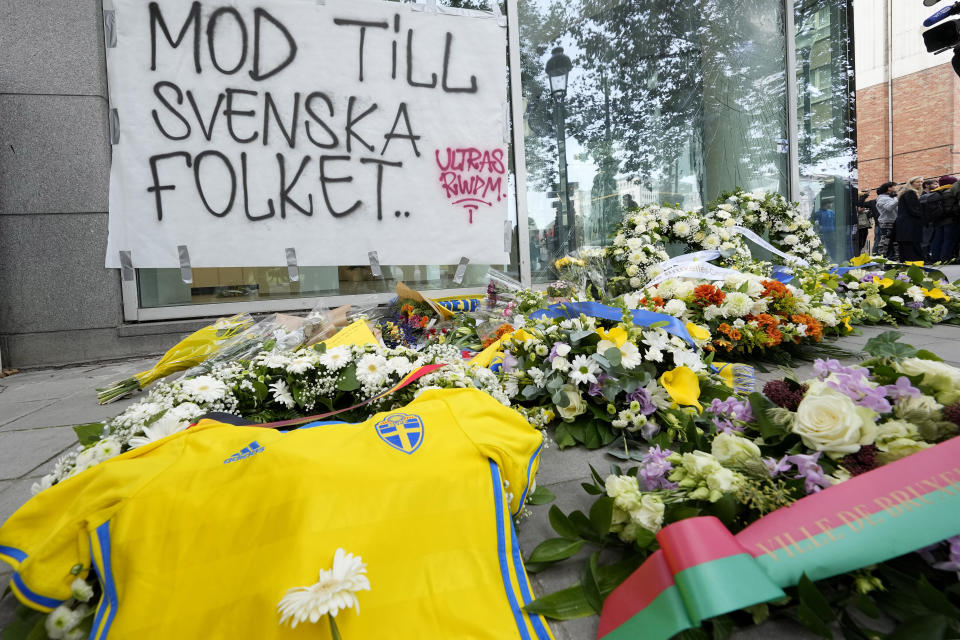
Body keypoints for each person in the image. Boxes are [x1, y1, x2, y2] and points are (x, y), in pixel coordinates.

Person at [929, 175, 960, 262]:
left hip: (938, 220)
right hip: (950, 219)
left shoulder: (936, 191)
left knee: (937, 240)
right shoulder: (951, 191)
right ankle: (945, 258)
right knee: (949, 239)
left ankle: (935, 258)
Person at [896, 176, 925, 261]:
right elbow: (914, 209)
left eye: (921, 182)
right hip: (909, 223)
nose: (920, 184)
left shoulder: (905, 193)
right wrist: (923, 216)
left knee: (906, 244)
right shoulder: (911, 193)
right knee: (911, 244)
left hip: (904, 222)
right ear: (911, 183)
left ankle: (906, 262)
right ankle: (913, 262)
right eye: (917, 182)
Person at [874, 181, 899, 259]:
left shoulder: (893, 197)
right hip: (887, 222)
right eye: (894, 187)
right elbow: (889, 208)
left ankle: (895, 256)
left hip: (895, 221)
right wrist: (897, 199)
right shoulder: (882, 198)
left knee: (895, 240)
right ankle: (882, 256)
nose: (896, 188)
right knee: (886, 240)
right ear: (889, 188)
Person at [856, 190, 875, 255]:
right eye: (860, 196)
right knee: (860, 242)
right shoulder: (856, 203)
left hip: (864, 225)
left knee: (863, 242)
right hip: (860, 226)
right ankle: (857, 254)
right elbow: (859, 210)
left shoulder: (861, 203)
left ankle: (859, 254)